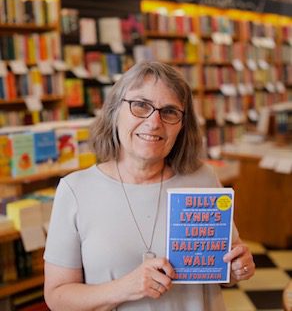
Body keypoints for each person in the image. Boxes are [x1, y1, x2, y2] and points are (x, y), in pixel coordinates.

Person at [44, 61, 255, 311]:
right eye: (140, 105)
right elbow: (57, 297)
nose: (154, 122)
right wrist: (127, 287)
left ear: (182, 126)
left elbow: (222, 268)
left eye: (169, 111)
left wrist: (236, 269)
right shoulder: (75, 190)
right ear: (114, 111)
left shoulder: (204, 179)